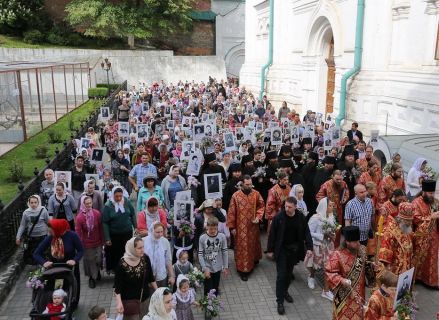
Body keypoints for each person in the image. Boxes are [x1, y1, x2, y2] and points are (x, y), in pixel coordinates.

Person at [266, 197, 313, 315]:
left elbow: (306, 232)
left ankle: (285, 291)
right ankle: (280, 302)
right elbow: (272, 234)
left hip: (294, 250)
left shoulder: (300, 217)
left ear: (295, 207)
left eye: (289, 207)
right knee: (281, 276)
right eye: (285, 206)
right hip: (281, 250)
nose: (287, 209)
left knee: (288, 275)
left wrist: (310, 248)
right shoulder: (279, 217)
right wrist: (270, 250)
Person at [33, 219, 84, 309]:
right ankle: (58, 306)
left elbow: (80, 250)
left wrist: (75, 260)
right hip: (55, 269)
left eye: (51, 230)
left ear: (57, 229)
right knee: (56, 288)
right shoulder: (50, 238)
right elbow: (36, 253)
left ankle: (73, 304)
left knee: (73, 286)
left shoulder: (72, 236)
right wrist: (44, 262)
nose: (50, 233)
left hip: (70, 268)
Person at [227, 175, 265, 281]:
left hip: (253, 226)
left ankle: (253, 260)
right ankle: (243, 270)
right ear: (242, 184)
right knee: (243, 247)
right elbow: (231, 212)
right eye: (247, 184)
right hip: (240, 227)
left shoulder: (256, 194)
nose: (249, 186)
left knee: (253, 244)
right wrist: (232, 227)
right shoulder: (236, 196)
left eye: (250, 184)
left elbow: (261, 206)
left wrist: (258, 217)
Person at [325, 226, 366, 320]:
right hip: (344, 297)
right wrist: (342, 280)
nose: (358, 243)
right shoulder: (337, 255)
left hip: (359, 295)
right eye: (355, 242)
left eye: (358, 241)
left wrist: (373, 267)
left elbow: (366, 268)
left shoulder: (362, 250)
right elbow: (329, 273)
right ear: (347, 242)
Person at [114, 237, 157, 320]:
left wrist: (158, 291)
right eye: (139, 248)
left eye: (143, 247)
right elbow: (117, 287)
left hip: (144, 299)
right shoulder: (122, 264)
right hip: (130, 303)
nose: (142, 250)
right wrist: (119, 303)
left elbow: (151, 278)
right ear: (132, 248)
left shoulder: (145, 258)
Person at [306, 197, 336, 300]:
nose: (333, 207)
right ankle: (311, 276)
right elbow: (308, 232)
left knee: (329, 267)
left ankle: (326, 291)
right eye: (330, 205)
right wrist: (322, 235)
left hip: (328, 245)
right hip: (318, 245)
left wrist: (332, 234)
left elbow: (332, 228)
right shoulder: (316, 217)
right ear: (325, 207)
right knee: (315, 265)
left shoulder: (331, 216)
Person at [412, 179, 439, 287]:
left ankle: (431, 281)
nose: (432, 195)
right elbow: (415, 219)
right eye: (430, 193)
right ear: (424, 192)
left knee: (432, 257)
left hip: (434, 234)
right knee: (420, 257)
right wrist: (430, 217)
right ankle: (418, 278)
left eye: (433, 193)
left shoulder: (434, 202)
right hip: (421, 236)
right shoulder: (416, 202)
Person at [103, 187, 137, 272]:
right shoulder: (108, 206)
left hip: (127, 233)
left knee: (126, 252)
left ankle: (126, 269)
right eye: (116, 196)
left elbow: (132, 214)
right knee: (116, 254)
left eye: (120, 196)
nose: (118, 198)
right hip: (114, 235)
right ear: (113, 195)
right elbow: (105, 222)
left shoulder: (126, 202)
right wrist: (107, 238)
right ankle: (117, 272)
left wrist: (136, 227)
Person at [75, 196, 104, 289]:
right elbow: (78, 232)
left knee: (99, 259)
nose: (88, 205)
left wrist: (103, 240)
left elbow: (101, 228)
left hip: (98, 241)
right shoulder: (80, 217)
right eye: (86, 204)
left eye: (90, 203)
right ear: (83, 204)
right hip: (87, 244)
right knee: (90, 260)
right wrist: (79, 244)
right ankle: (92, 278)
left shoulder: (97, 214)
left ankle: (97, 271)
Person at [378, 202, 414, 275]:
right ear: (400, 219)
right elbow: (384, 255)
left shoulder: (405, 228)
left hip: (407, 266)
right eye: (407, 220)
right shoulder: (389, 232)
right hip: (395, 270)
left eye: (411, 220)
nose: (410, 223)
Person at [316, 170, 350, 246]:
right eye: (337, 179)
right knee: (329, 230)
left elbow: (346, 192)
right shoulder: (326, 185)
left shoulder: (343, 184)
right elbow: (319, 196)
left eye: (340, 179)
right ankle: (327, 248)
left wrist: (345, 198)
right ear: (332, 177)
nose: (339, 181)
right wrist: (327, 204)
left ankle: (336, 247)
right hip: (328, 212)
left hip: (339, 211)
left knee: (337, 229)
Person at [198, 217, 229, 296]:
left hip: (218, 268)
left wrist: (225, 266)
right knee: (208, 290)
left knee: (215, 289)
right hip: (207, 268)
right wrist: (204, 268)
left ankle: (213, 306)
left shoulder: (222, 237)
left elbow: (225, 252)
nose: (212, 231)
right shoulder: (202, 238)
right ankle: (207, 307)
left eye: (215, 229)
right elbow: (200, 254)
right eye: (211, 229)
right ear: (207, 226)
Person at [16, 195, 50, 265]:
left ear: (38, 202)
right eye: (31, 202)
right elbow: (22, 225)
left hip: (43, 236)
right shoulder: (26, 212)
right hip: (32, 238)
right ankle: (36, 271)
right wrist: (18, 237)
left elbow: (48, 223)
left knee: (43, 254)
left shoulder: (43, 210)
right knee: (33, 255)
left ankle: (44, 268)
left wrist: (51, 234)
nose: (33, 204)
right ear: (29, 203)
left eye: (35, 202)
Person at [144, 222, 175, 288]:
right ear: (152, 231)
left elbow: (168, 260)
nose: (160, 234)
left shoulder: (165, 241)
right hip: (148, 276)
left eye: (162, 232)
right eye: (157, 232)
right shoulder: (144, 241)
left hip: (162, 275)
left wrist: (171, 276)